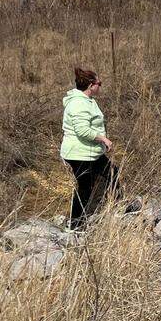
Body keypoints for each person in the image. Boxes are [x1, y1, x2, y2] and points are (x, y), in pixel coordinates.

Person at [61, 67, 119, 230]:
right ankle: (74, 225)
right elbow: (82, 130)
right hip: (79, 154)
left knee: (112, 171)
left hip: (90, 152)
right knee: (85, 188)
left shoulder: (86, 100)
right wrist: (104, 139)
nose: (100, 86)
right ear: (91, 85)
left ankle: (119, 207)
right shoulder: (79, 103)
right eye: (99, 83)